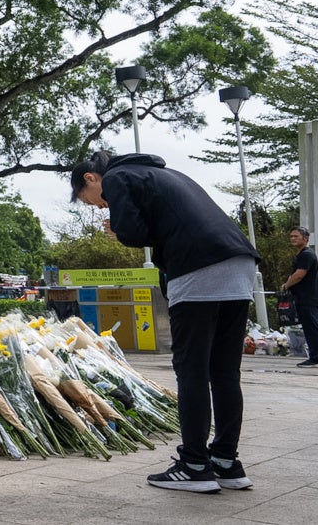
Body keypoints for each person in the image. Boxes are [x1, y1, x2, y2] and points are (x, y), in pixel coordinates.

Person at [70, 150, 256, 494]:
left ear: (91, 178)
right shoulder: (161, 174)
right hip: (238, 265)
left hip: (199, 267)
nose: (100, 207)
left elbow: (133, 230)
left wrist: (118, 228)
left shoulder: (117, 178)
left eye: (92, 202)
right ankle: (227, 462)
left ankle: (195, 465)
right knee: (225, 372)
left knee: (192, 370)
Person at [281, 226, 318, 368]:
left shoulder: (306, 255)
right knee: (314, 327)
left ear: (306, 238)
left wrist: (286, 285)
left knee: (311, 328)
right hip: (309, 298)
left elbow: (299, 275)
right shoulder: (304, 255)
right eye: (291, 236)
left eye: (296, 236)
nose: (293, 239)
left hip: (307, 298)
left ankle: (316, 359)